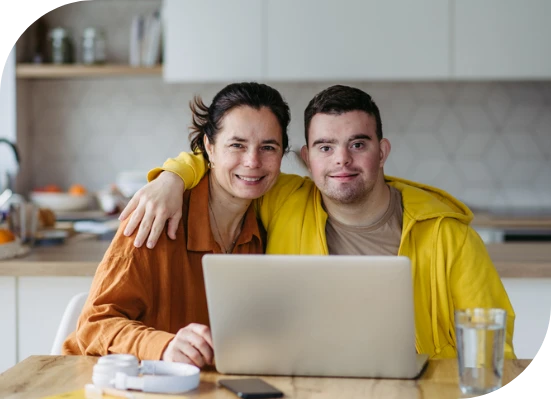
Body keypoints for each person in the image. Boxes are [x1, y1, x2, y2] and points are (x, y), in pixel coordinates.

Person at [120, 84, 517, 360]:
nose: (342, 159)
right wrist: (171, 179)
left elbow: (495, 349)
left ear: (382, 152)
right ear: (308, 159)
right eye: (326, 147)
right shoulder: (279, 197)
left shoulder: (450, 237)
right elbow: (229, 162)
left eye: (358, 144)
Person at [61, 82, 292, 368]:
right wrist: (165, 345)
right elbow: (93, 326)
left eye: (268, 147)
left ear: (282, 154)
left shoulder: (269, 223)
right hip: (109, 384)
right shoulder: (156, 216)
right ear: (209, 147)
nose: (252, 161)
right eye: (237, 145)